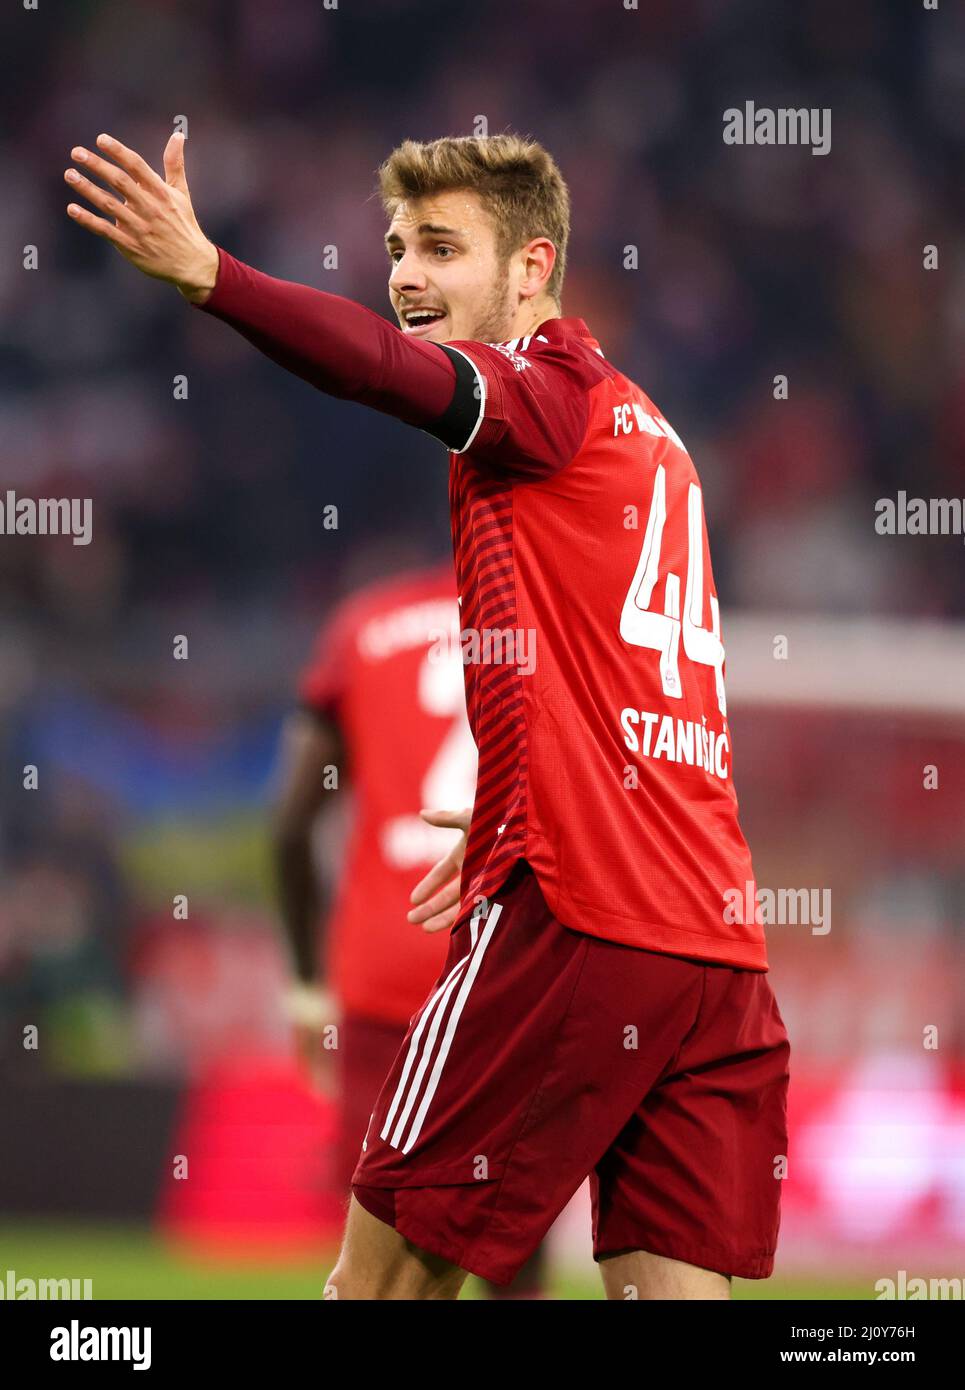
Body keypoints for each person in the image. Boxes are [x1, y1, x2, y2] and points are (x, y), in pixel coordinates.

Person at [65, 128, 790, 1300]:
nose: (404, 274)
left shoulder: (544, 395)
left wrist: (212, 273)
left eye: (442, 248)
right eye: (397, 246)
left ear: (529, 267)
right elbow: (641, 687)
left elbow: (374, 370)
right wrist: (519, 802)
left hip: (575, 917)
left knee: (379, 1285)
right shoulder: (655, 441)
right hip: (710, 941)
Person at [274, 562, 544, 1296]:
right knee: (513, 1250)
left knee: (377, 1261)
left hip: (387, 963)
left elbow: (292, 824)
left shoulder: (365, 625)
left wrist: (305, 989)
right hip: (513, 956)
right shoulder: (550, 614)